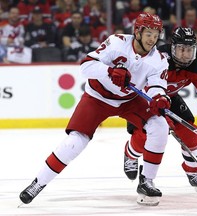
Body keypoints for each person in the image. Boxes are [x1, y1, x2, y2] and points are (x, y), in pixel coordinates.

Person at [19, 12, 171, 206]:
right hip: (97, 97)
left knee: (160, 126)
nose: (153, 39)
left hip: (130, 100)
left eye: (156, 34)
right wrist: (109, 71)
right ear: (138, 32)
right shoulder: (116, 42)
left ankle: (147, 181)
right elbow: (85, 66)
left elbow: (157, 85)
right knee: (74, 142)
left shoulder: (159, 59)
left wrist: (160, 98)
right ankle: (38, 183)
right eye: (149, 33)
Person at [123, 27, 197, 194]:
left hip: (170, 98)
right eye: (181, 49)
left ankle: (193, 173)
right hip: (145, 98)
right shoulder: (157, 58)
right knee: (146, 134)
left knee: (191, 133)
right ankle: (131, 154)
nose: (185, 54)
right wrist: (158, 114)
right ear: (172, 47)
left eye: (189, 50)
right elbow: (142, 85)